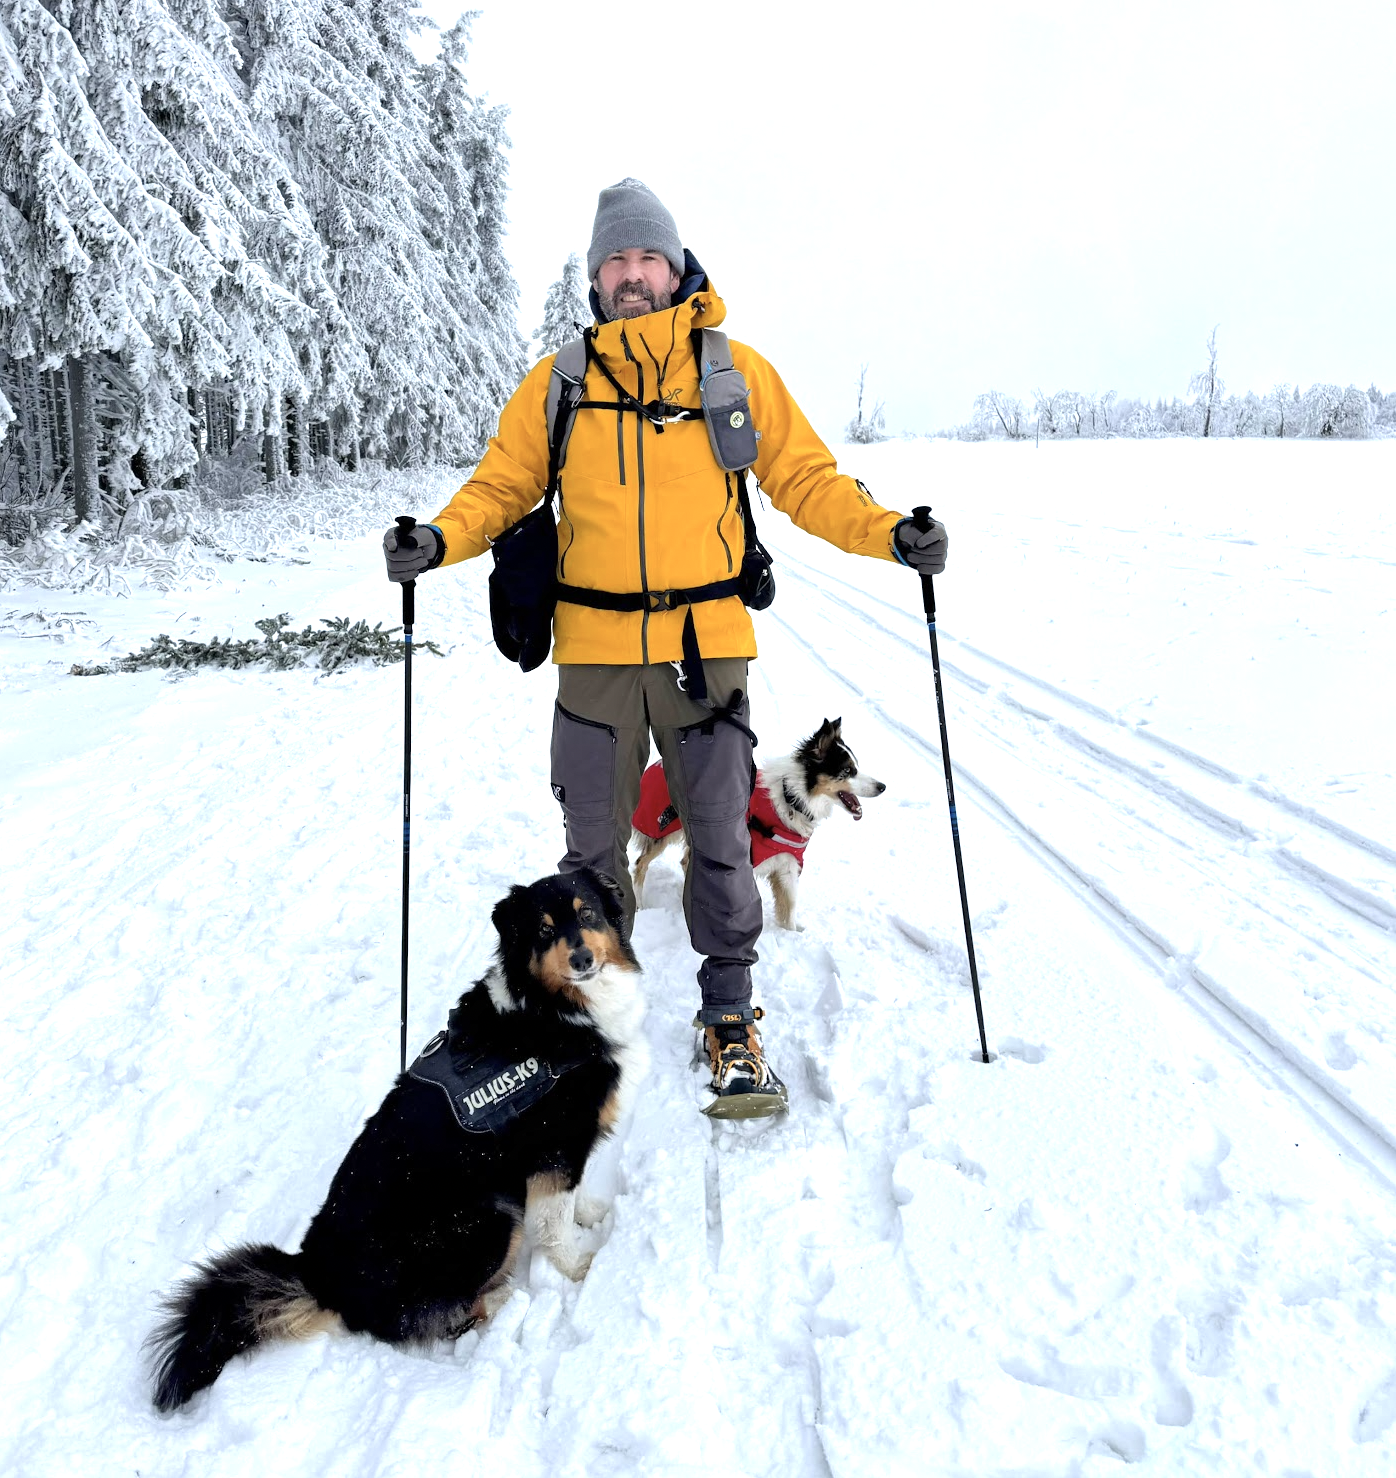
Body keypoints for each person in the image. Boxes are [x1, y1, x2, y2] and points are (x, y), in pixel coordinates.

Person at [384, 179, 948, 1118]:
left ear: (676, 265)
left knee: (723, 838)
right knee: (592, 849)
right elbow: (499, 487)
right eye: (615, 261)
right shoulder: (560, 381)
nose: (633, 275)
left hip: (705, 648)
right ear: (597, 277)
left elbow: (807, 480)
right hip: (595, 652)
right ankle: (584, 1019)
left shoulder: (735, 375)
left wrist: (890, 533)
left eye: (648, 258)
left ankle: (729, 1016)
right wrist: (439, 540)